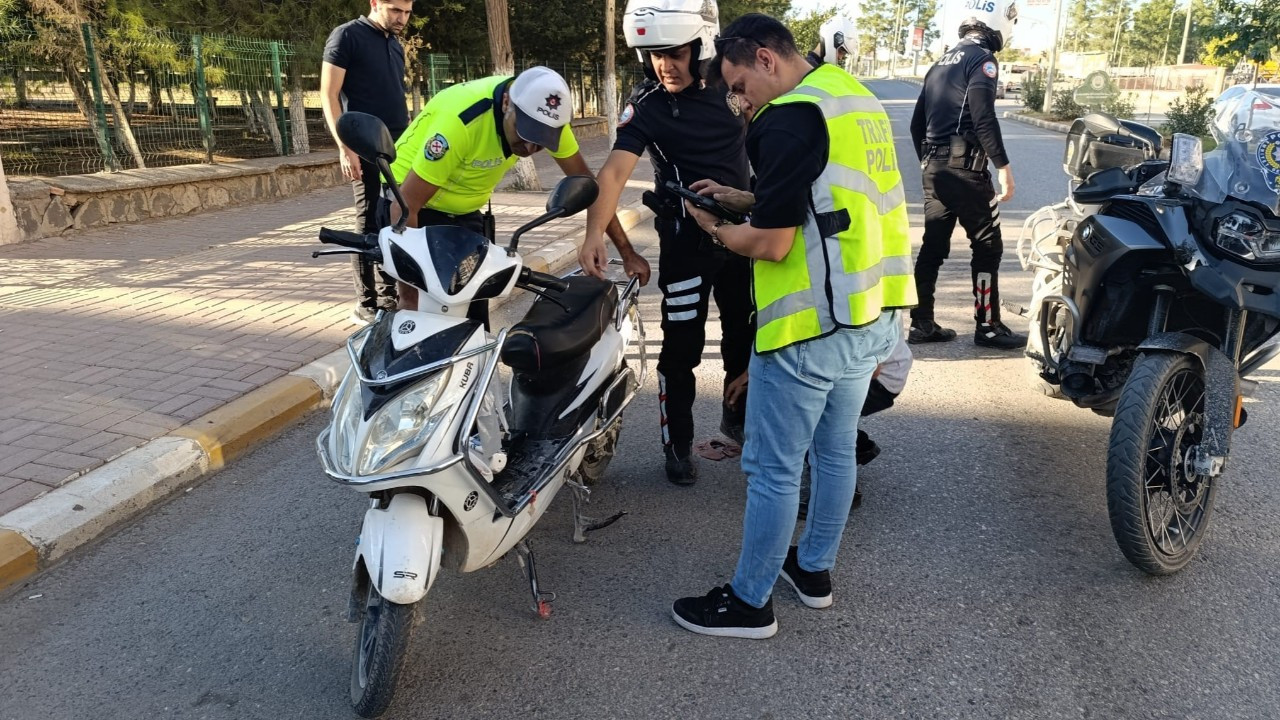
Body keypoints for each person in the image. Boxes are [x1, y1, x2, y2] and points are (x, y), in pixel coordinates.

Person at [671, 14, 916, 639]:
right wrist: (739, 198)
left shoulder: (783, 120)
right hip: (870, 312)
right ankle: (813, 572)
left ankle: (749, 602)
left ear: (765, 59)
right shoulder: (850, 98)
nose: (738, 101)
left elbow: (776, 243)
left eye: (739, 85)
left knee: (773, 468)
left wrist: (715, 229)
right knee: (834, 452)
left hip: (811, 325)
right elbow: (823, 196)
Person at [578, 0, 754, 486]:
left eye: (675, 53)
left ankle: (736, 420)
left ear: (698, 48)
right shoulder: (649, 104)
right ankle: (677, 444)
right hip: (685, 245)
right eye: (654, 55)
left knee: (744, 336)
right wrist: (595, 232)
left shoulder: (731, 82)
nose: (664, 65)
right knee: (681, 349)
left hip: (745, 238)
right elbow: (613, 172)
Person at [386, 66, 633, 320]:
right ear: (506, 103)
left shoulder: (548, 116)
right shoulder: (461, 122)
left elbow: (589, 187)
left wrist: (627, 253)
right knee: (428, 314)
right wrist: (409, 297)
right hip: (411, 206)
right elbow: (404, 207)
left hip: (464, 212)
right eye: (525, 133)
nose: (529, 147)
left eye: (540, 141)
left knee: (473, 317)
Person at [908, 0, 1025, 350]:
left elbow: (917, 124)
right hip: (966, 172)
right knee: (988, 246)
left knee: (932, 248)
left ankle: (921, 323)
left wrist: (928, 163)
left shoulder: (938, 63)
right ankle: (988, 326)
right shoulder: (983, 60)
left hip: (934, 169)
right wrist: (1004, 167)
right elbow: (982, 117)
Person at [321, 0, 413, 325]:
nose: (402, 18)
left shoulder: (395, 45)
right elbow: (328, 94)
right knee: (368, 222)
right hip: (364, 145)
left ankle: (390, 299)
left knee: (396, 220)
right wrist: (345, 147)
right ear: (375, 3)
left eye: (407, 12)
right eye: (395, 10)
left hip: (400, 149)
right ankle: (367, 303)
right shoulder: (346, 36)